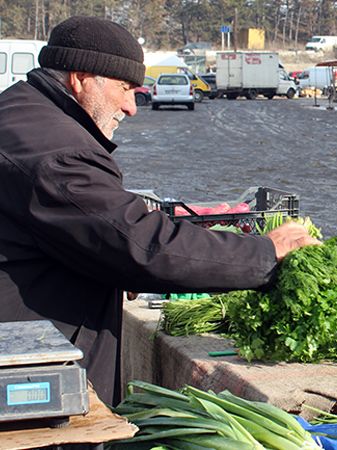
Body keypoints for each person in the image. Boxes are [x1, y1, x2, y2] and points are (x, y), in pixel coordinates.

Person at [0, 16, 319, 407]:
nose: (132, 107)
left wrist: (104, 266)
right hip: (28, 375)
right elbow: (143, 245)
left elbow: (76, 230)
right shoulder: (56, 154)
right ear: (80, 79)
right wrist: (265, 252)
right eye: (124, 88)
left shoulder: (21, 113)